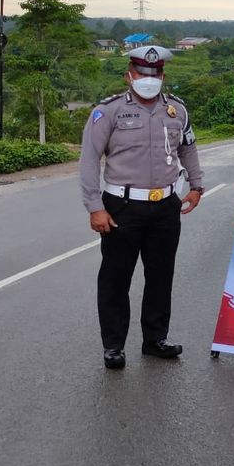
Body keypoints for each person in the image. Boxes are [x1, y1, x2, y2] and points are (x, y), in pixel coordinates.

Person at [79, 44, 205, 370]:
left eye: (155, 74)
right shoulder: (108, 112)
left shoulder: (177, 110)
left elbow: (188, 149)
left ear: (163, 75)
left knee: (161, 276)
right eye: (142, 74)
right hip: (121, 206)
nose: (149, 79)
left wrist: (196, 185)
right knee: (116, 278)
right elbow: (90, 161)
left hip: (165, 205)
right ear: (129, 75)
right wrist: (95, 206)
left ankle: (155, 340)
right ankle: (113, 347)